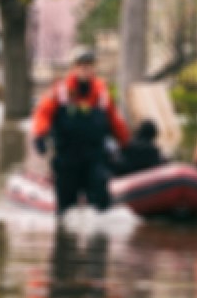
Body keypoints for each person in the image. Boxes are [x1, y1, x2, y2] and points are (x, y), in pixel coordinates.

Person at [31, 48, 131, 216]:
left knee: (101, 200)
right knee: (65, 208)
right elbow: (43, 113)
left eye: (89, 65)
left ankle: (99, 236)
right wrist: (40, 134)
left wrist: (126, 144)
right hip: (68, 157)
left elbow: (114, 120)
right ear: (74, 68)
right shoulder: (60, 91)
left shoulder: (101, 92)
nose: (86, 69)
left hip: (94, 156)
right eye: (82, 65)